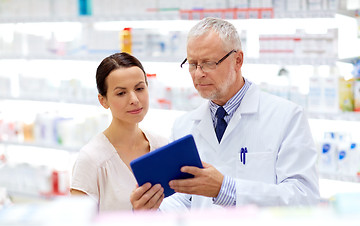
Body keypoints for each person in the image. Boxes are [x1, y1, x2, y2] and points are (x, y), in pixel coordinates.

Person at [131, 17, 319, 210]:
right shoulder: (184, 125)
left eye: (208, 63)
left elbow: (304, 197)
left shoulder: (287, 116)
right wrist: (154, 208)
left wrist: (224, 189)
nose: (198, 74)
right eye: (193, 64)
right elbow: (183, 199)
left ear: (238, 60)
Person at [70, 52, 167, 212]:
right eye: (121, 93)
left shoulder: (162, 146)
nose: (134, 99)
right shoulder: (91, 160)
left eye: (140, 88)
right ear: (103, 100)